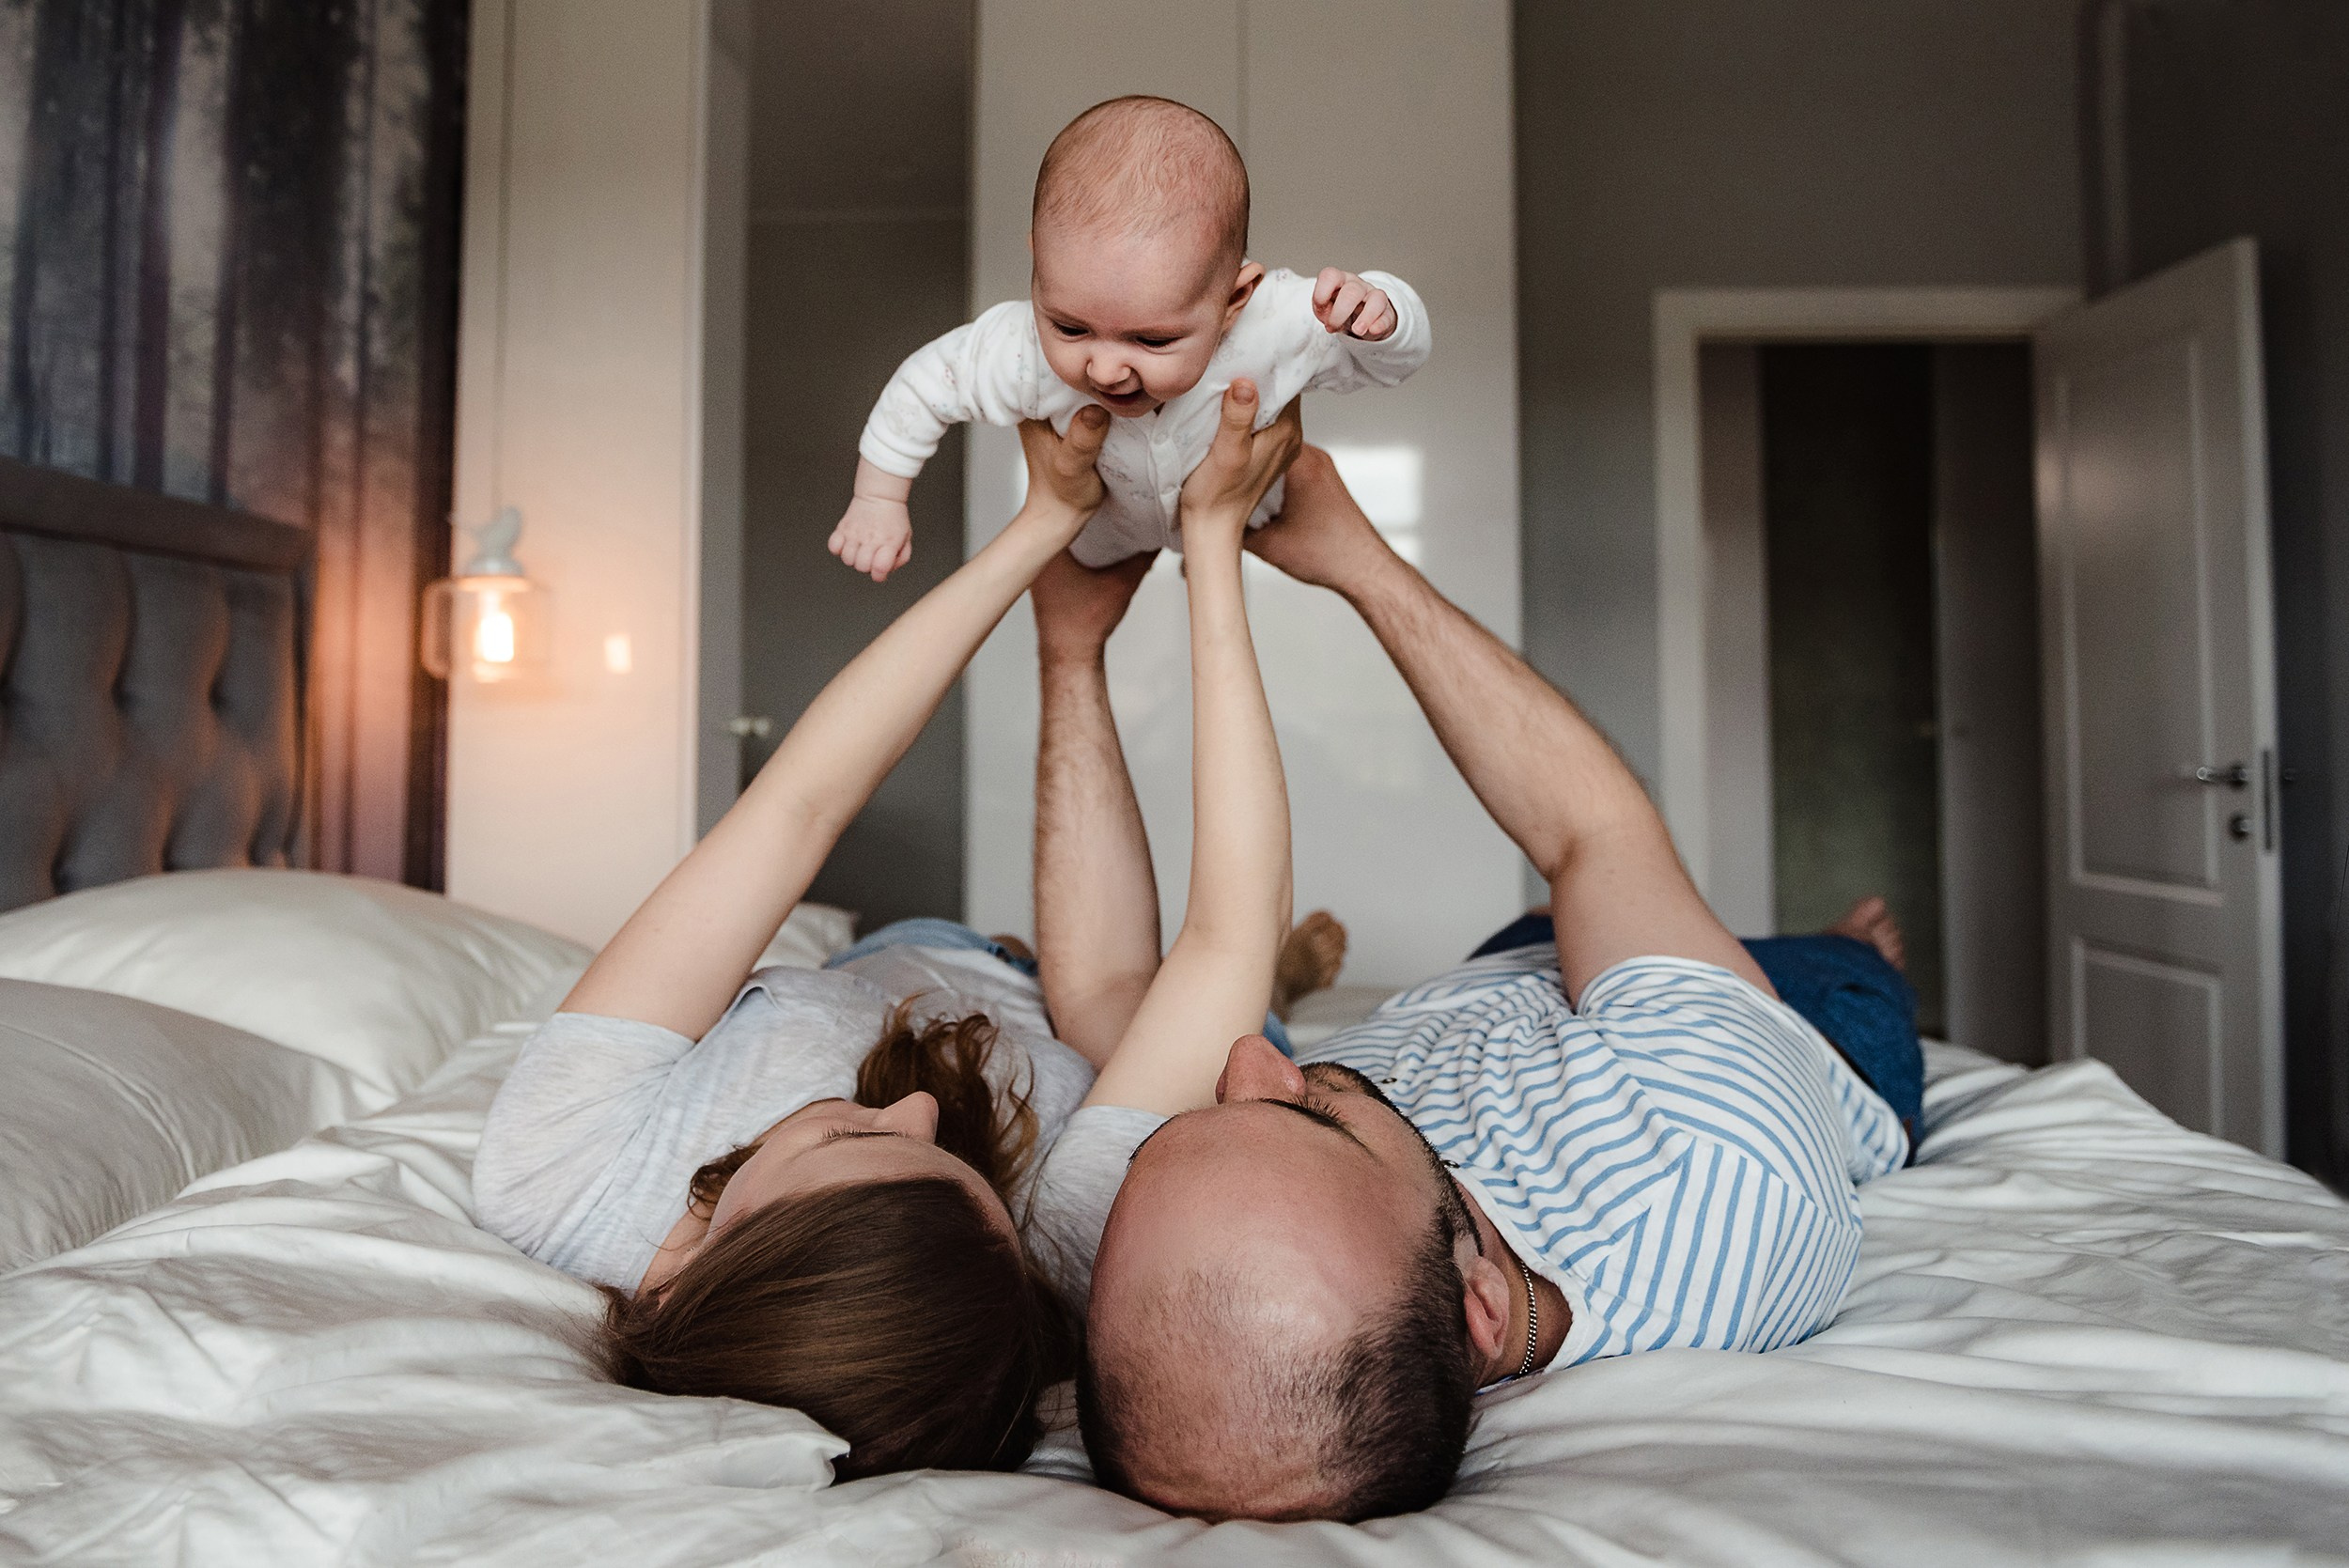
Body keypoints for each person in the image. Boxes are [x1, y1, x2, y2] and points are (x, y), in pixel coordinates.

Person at [1070, 447, 1922, 1523]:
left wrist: (1072, 649)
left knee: (1546, 927)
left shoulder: (1212, 1267)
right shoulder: (1720, 1158)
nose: (1251, 1060)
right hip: (1798, 1033)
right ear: (1480, 1304)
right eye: (1315, 1119)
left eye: (1192, 1125)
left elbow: (1116, 999)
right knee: (1761, 941)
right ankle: (1845, 948)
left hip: (1486, 997)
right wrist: (1357, 561)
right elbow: (1588, 831)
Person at [472, 380, 1302, 1481]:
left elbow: (798, 808)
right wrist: (1210, 552)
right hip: (1098, 999)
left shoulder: (563, 1171)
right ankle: (1282, 943)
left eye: (855, 1139)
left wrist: (1039, 526)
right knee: (1160, 1012)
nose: (912, 1108)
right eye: (948, 1160)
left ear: (686, 1273)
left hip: (911, 955)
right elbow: (1218, 942)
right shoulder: (1049, 1267)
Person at [828, 93, 1428, 581]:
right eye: (1070, 327)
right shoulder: (1017, 348)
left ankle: (1208, 557)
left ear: (1234, 300)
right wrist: (878, 499)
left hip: (1256, 516)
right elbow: (926, 384)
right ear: (1038, 265)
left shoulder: (1277, 321)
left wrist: (1381, 315)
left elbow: (1391, 365)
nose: (1106, 369)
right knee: (1078, 576)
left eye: (1152, 341)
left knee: (1293, 485)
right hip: (1101, 536)